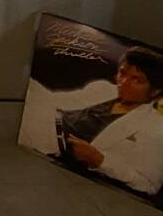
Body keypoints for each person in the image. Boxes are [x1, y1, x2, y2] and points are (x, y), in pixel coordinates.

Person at [21, 47, 163, 197]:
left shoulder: (155, 127)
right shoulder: (104, 88)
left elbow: (149, 184)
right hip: (43, 120)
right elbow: (54, 100)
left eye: (136, 79)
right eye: (122, 73)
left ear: (155, 91)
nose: (123, 82)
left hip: (51, 147)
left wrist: (100, 160)